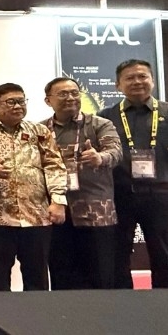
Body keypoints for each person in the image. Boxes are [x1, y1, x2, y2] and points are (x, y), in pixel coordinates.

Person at [0, 82, 67, 291]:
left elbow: (54, 166)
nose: (18, 106)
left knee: (37, 278)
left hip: (36, 216)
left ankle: (36, 312)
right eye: (11, 102)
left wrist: (58, 201)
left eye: (21, 101)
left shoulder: (40, 131)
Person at [42, 77, 121, 289]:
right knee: (61, 272)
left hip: (95, 209)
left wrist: (99, 158)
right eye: (63, 94)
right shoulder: (41, 130)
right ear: (48, 100)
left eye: (74, 93)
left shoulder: (99, 124)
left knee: (100, 273)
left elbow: (115, 152)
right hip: (57, 211)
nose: (70, 98)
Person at [97, 59, 168, 289]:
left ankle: (162, 302)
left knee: (164, 253)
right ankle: (122, 303)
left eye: (142, 76)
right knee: (117, 253)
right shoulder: (105, 117)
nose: (137, 81)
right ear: (118, 85)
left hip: (161, 195)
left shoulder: (166, 112)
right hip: (120, 194)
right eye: (130, 78)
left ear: (152, 81)